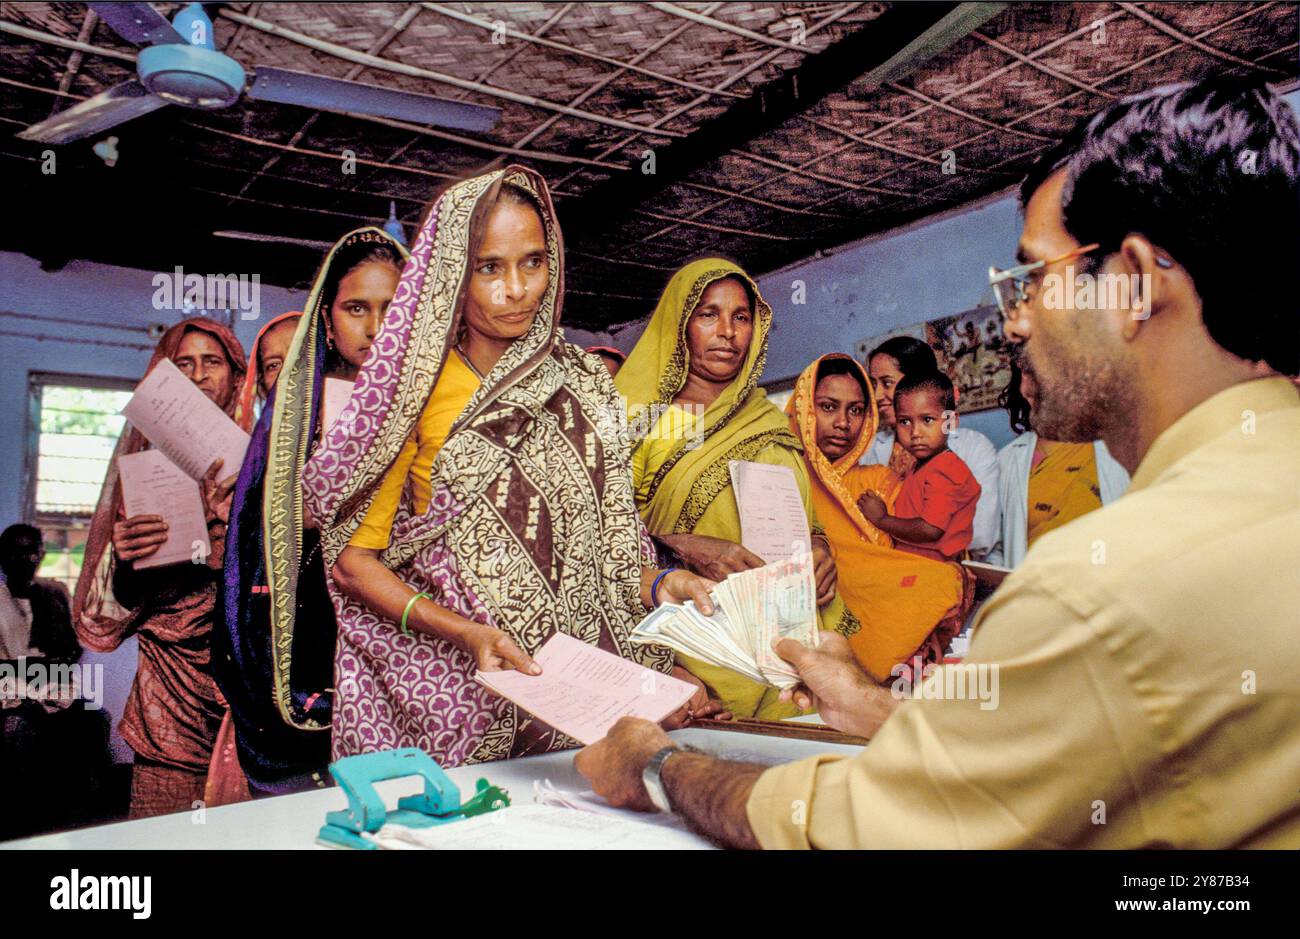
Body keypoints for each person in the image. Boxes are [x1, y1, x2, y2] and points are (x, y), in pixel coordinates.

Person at [574, 76, 1300, 848]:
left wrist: (660, 768)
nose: (1014, 322)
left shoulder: (1098, 592)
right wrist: (881, 706)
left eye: (1031, 278)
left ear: (1135, 284)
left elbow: (873, 832)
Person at [301, 166, 719, 765]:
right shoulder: (410, 392)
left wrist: (661, 583)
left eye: (533, 261)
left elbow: (611, 541)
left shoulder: (580, 382)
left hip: (586, 689)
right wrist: (466, 633)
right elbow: (353, 565)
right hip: (462, 692)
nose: (517, 288)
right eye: (489, 267)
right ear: (452, 273)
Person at [214, 230, 408, 798]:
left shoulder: (441, 400)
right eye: (356, 309)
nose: (375, 328)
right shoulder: (295, 412)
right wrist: (304, 513)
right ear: (327, 319)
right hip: (314, 626)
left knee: (402, 806)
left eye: (392, 309)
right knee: (317, 812)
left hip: (409, 626)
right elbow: (257, 535)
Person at [614, 257, 845, 719]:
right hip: (697, 654)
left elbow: (807, 516)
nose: (728, 331)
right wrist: (683, 544)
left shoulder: (766, 419)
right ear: (680, 325)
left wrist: (820, 548)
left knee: (801, 773)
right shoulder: (641, 420)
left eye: (741, 317)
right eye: (708, 314)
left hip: (794, 646)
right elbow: (602, 538)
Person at [73, 317, 249, 819]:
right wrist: (130, 560)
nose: (199, 375)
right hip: (168, 695)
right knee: (168, 828)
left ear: (237, 376)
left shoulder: (263, 462)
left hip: (243, 690)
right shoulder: (145, 473)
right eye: (184, 364)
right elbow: (122, 603)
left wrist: (233, 525)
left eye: (212, 362)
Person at [786, 354, 975, 680]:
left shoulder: (879, 481)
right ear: (804, 408)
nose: (843, 423)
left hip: (893, 650)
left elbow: (914, 560)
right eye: (828, 407)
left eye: (856, 410)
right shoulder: (785, 479)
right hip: (800, 648)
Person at [863, 336, 1000, 558]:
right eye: (873, 385)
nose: (877, 396)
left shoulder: (971, 448)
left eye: (887, 383)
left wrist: (884, 523)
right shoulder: (870, 449)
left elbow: (980, 536)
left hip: (944, 568)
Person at [988, 358, 1128, 567]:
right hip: (1037, 592)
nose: (1028, 387)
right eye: (1024, 373)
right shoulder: (1007, 461)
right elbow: (995, 548)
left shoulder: (1122, 448)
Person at [858, 371, 981, 563]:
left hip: (934, 569)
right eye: (905, 421)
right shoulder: (920, 466)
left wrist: (881, 519)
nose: (915, 432)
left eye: (927, 420)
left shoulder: (946, 468)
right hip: (915, 564)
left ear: (951, 422)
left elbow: (930, 529)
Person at [232, 311, 302, 428]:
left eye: (301, 356)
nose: (289, 372)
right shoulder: (261, 444)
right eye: (274, 365)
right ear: (263, 388)